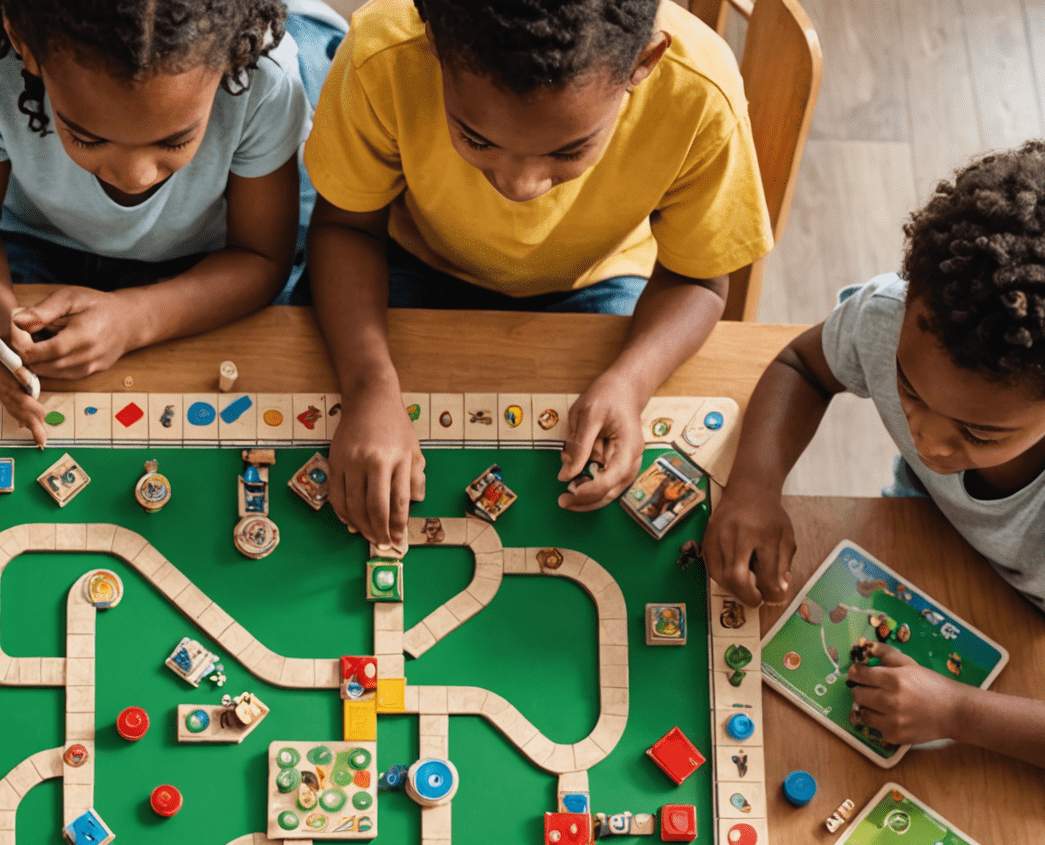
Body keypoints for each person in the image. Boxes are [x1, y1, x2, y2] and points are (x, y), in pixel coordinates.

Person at [303, 0, 773, 552]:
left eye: (570, 149)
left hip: (597, 285)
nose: (520, 185)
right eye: (477, 139)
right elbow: (345, 231)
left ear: (642, 64)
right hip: (412, 264)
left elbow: (699, 282)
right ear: (433, 42)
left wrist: (630, 382)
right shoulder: (383, 56)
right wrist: (368, 386)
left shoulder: (701, 94)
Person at [703, 140, 1045, 775]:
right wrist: (755, 487)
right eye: (908, 391)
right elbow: (800, 365)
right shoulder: (892, 316)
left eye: (980, 435)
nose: (927, 441)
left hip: (1043, 639)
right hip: (920, 538)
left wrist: (960, 713)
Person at [0, 0, 341, 440]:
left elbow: (263, 258)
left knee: (320, 72)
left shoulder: (264, 75)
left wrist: (134, 319)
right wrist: (0, 327)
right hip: (23, 237)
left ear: (232, 58)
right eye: (89, 137)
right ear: (23, 46)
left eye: (174, 140)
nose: (134, 175)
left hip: (205, 259)